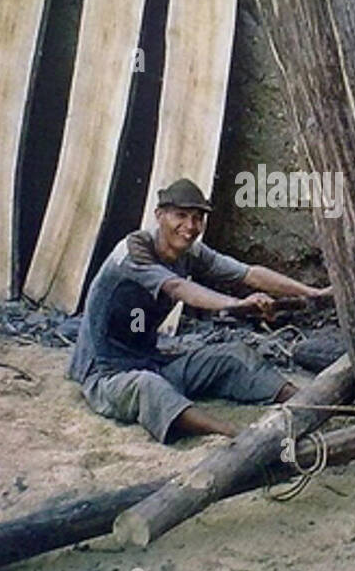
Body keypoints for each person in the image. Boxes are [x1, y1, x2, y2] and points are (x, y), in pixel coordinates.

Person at [68, 177, 332, 442]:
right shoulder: (132, 253)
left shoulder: (190, 253)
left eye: (197, 218)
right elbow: (178, 288)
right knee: (149, 387)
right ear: (159, 215)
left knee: (232, 356)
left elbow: (248, 274)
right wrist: (236, 304)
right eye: (180, 216)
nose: (190, 227)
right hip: (105, 375)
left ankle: (312, 402)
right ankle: (232, 434)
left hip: (151, 360)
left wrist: (312, 293)